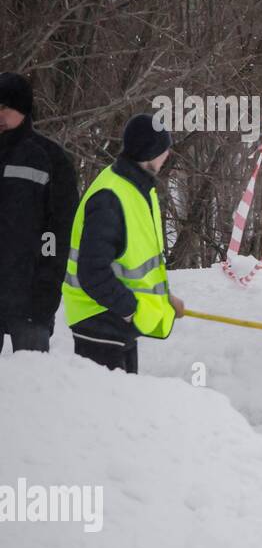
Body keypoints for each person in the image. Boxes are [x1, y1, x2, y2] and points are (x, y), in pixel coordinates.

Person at [62, 113, 185, 372]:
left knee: (122, 409)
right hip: (98, 323)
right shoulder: (110, 196)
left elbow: (130, 261)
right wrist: (129, 309)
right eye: (164, 149)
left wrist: (164, 298)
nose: (168, 155)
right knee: (103, 410)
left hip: (115, 321)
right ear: (150, 153)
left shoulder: (137, 187)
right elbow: (92, 271)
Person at [0, 72, 78, 354]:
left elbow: (57, 232)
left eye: (3, 108)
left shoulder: (50, 159)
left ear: (21, 109)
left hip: (30, 298)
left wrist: (45, 292)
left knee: (33, 386)